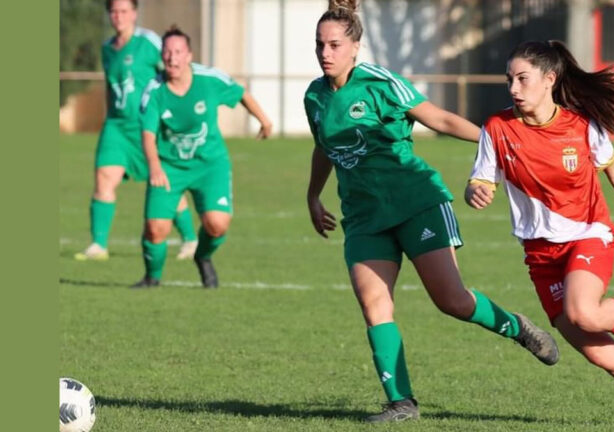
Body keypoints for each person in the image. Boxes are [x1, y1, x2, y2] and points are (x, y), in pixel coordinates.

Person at [304, 1, 559, 423]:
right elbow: (323, 146)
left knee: (453, 301)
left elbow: (437, 118)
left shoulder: (380, 82)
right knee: (374, 307)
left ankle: (517, 327)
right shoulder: (314, 96)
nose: (325, 53)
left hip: (415, 202)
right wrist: (314, 195)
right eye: (320, 45)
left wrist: (495, 144)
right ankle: (401, 402)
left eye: (334, 44)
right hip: (364, 216)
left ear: (355, 47)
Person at [465, 40, 614, 431]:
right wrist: (476, 190)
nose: (513, 88)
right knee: (602, 355)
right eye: (509, 79)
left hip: (588, 235)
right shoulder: (497, 128)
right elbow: (479, 179)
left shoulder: (580, 125)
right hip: (540, 255)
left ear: (549, 79)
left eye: (522, 79)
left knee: (584, 311)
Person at [132, 26, 273, 288]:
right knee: (155, 228)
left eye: (178, 52)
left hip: (210, 165)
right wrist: (154, 166)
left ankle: (203, 256)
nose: (172, 58)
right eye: (167, 52)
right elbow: (148, 134)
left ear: (189, 55)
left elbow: (241, 93)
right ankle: (152, 277)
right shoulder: (154, 90)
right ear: (161, 55)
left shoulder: (209, 80)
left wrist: (263, 120)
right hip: (169, 166)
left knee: (217, 224)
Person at [75, 0, 199, 262]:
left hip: (147, 126)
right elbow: (111, 86)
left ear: (134, 13)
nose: (117, 16)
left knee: (163, 183)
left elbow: (174, 69)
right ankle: (98, 245)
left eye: (123, 11)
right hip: (116, 126)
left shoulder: (149, 42)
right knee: (104, 178)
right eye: (113, 11)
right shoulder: (108, 49)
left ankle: (190, 239)